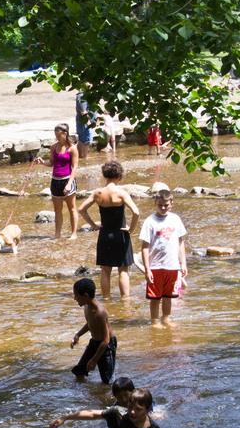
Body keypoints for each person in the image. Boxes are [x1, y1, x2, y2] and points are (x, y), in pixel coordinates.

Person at [78, 160, 140, 298]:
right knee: (123, 270)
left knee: (105, 270)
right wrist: (131, 229)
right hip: (121, 233)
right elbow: (136, 212)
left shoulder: (97, 193)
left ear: (104, 175)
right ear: (119, 176)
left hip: (105, 234)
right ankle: (125, 300)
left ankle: (106, 298)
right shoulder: (121, 193)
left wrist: (94, 225)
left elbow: (81, 209)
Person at [140, 189, 187, 328]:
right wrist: (147, 268)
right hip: (155, 266)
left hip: (172, 265)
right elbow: (144, 246)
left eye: (166, 205)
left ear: (171, 203)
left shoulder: (175, 219)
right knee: (155, 297)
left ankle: (166, 318)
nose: (163, 208)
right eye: (160, 205)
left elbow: (180, 242)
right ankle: (154, 321)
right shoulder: (150, 221)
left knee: (169, 296)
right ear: (155, 203)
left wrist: (183, 263)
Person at [35, 123, 79, 240]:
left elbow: (74, 167)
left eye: (59, 136)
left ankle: (73, 233)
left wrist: (69, 184)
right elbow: (52, 162)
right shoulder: (54, 146)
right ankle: (57, 234)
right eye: (56, 136)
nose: (57, 138)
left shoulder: (72, 148)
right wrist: (42, 162)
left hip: (67, 180)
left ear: (65, 134)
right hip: (55, 180)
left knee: (72, 208)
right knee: (57, 209)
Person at [69, 277, 116, 384]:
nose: (75, 299)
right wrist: (78, 335)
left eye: (77, 296)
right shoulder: (87, 306)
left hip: (107, 346)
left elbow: (106, 340)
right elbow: (90, 324)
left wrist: (94, 360)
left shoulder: (99, 313)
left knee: (107, 381)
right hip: (94, 342)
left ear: (85, 295)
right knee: (79, 371)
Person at [75, 90, 91, 159]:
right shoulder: (82, 96)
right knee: (86, 140)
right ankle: (85, 157)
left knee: (81, 139)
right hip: (83, 121)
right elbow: (83, 111)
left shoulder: (86, 94)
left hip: (82, 121)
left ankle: (80, 156)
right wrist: (88, 122)